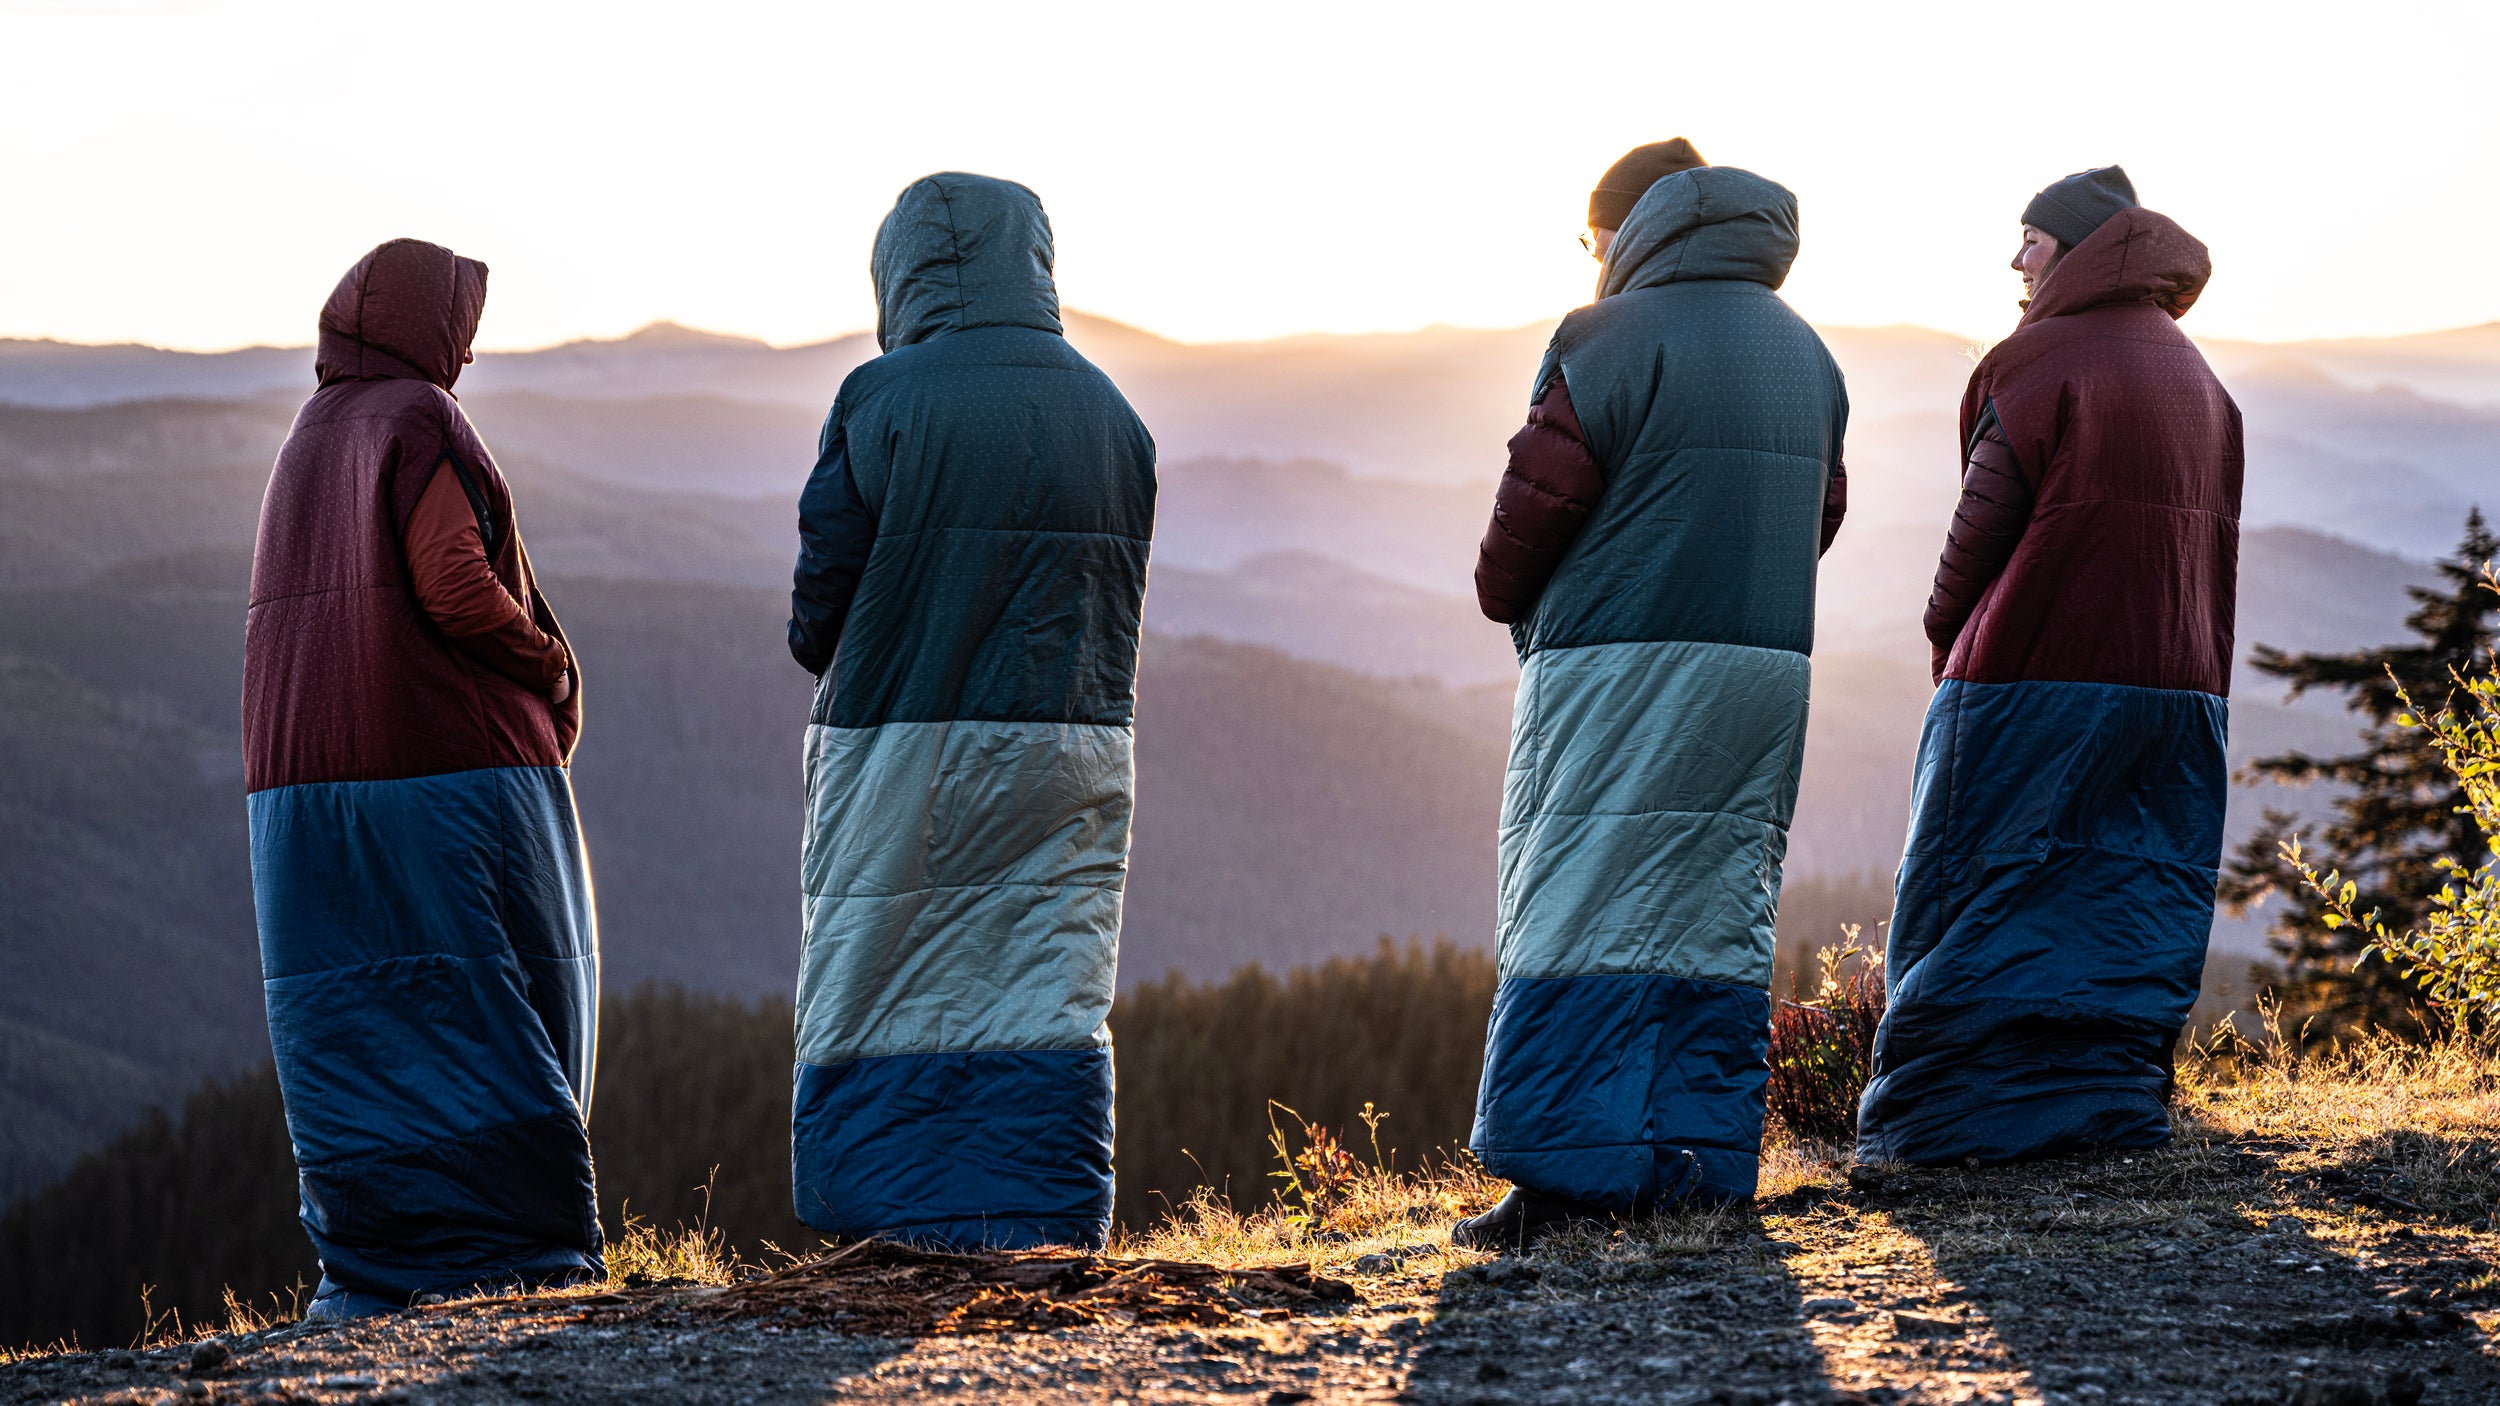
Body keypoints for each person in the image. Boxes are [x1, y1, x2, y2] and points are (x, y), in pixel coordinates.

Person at [1455, 141, 1850, 1249]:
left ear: (1629, 236)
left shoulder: (1604, 340)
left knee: (1579, 898)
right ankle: (1697, 1163)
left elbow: (1520, 533)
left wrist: (1525, 596)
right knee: (1713, 903)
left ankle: (1563, 1180)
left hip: (1619, 661)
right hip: (1767, 665)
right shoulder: (1807, 354)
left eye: (1594, 242)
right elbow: (1819, 515)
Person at [787, 173, 1156, 1249]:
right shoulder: (1114, 413)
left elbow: (819, 612)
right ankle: (1039, 1215)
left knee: (885, 963)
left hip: (908, 746)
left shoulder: (878, 399)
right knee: (1044, 968)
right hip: (1073, 742)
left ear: (900, 275)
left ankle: (883, 1212)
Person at [1855, 168, 2243, 1165]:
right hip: (2177, 686)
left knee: (1972, 882)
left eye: (2029, 239)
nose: (2015, 261)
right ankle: (2100, 1110)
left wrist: (1947, 642)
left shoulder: (2036, 362)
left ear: (2075, 248)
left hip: (2029, 676)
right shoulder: (2201, 378)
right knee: (2122, 890)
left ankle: (1942, 1124)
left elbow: (1976, 533)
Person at [243, 238, 600, 1317]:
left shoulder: (311, 433)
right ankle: (511, 1253)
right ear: (422, 324)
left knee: (361, 1015)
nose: (469, 358)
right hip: (448, 769)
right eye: (462, 331)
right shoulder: (418, 419)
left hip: (302, 787)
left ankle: (381, 1260)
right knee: (513, 988)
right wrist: (548, 659)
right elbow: (452, 578)